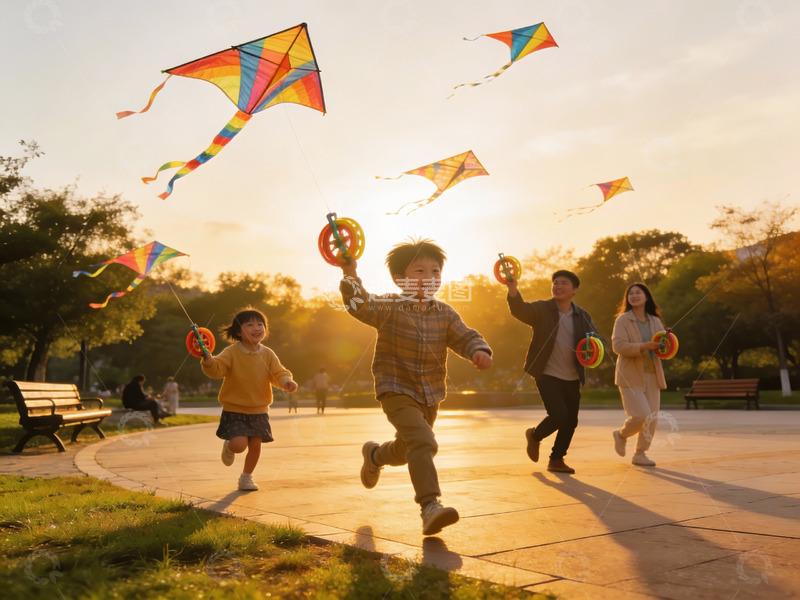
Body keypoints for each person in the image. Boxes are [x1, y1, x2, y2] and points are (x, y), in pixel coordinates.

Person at [340, 238, 493, 536]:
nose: (429, 277)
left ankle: (374, 456)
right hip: (395, 388)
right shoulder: (388, 307)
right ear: (400, 279)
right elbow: (360, 305)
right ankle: (430, 506)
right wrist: (350, 273)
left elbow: (465, 336)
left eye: (435, 271)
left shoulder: (445, 313)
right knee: (424, 442)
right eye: (419, 271)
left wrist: (479, 349)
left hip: (430, 394)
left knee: (406, 448)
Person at [506, 270, 600, 474]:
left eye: (563, 283)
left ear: (574, 290)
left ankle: (556, 459)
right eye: (555, 283)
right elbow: (520, 310)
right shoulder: (542, 309)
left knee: (571, 421)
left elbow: (595, 339)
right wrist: (513, 289)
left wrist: (593, 346)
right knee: (558, 415)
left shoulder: (582, 315)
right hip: (546, 372)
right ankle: (534, 436)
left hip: (572, 375)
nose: (558, 286)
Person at [200, 306, 298, 491]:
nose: (257, 328)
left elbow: (278, 372)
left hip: (259, 409)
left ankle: (246, 477)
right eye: (250, 324)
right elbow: (217, 368)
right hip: (235, 409)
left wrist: (286, 381)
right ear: (239, 331)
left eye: (260, 324)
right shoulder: (231, 352)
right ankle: (229, 446)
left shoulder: (268, 353)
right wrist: (208, 360)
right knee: (239, 445)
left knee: (255, 445)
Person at [611, 283, 667, 467]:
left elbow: (662, 345)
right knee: (642, 414)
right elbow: (618, 346)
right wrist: (642, 346)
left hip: (652, 373)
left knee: (652, 418)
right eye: (631, 294)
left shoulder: (655, 320)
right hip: (629, 374)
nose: (634, 296)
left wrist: (666, 346)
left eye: (638, 292)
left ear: (646, 297)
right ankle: (621, 435)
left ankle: (640, 454)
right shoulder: (622, 320)